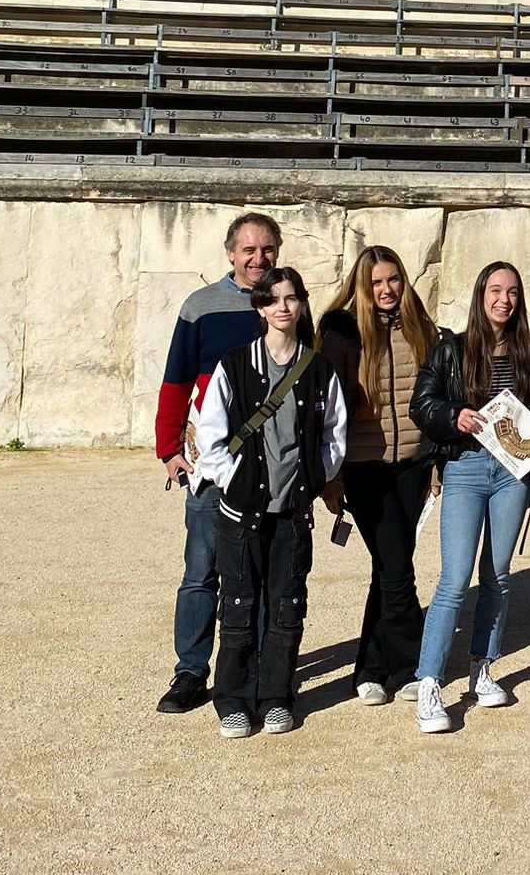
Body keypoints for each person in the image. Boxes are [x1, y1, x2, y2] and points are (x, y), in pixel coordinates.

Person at [194, 267, 349, 739]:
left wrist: (314, 476)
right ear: (260, 308)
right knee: (239, 605)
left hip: (292, 511)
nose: (283, 307)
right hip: (241, 511)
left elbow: (334, 435)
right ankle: (234, 699)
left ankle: (278, 695)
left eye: (291, 298)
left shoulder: (319, 368)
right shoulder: (235, 364)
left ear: (302, 305)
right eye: (273, 299)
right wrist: (233, 478)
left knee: (287, 605)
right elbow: (210, 435)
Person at [407, 260, 530, 735]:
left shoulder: (527, 352)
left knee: (498, 575)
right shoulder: (453, 348)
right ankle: (428, 681)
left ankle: (481, 668)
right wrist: (456, 415)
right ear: (480, 293)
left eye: (511, 292)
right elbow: (421, 403)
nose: (503, 299)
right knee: (454, 578)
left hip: (512, 474)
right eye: (495, 290)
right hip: (466, 467)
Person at [152, 212, 284, 716]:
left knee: (263, 570)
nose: (258, 259)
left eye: (267, 249)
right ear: (230, 254)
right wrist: (169, 451)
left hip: (271, 465)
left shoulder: (286, 304)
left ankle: (254, 668)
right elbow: (176, 382)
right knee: (202, 569)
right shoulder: (201, 307)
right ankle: (190, 671)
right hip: (211, 464)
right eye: (248, 250)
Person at [318, 245, 438, 706]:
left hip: (413, 464)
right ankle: (410, 666)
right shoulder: (343, 333)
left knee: (389, 568)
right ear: (362, 288)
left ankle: (370, 669)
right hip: (364, 468)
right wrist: (329, 477)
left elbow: (435, 396)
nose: (386, 290)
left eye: (394, 280)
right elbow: (326, 409)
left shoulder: (421, 329)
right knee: (396, 567)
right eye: (376, 283)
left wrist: (436, 462)